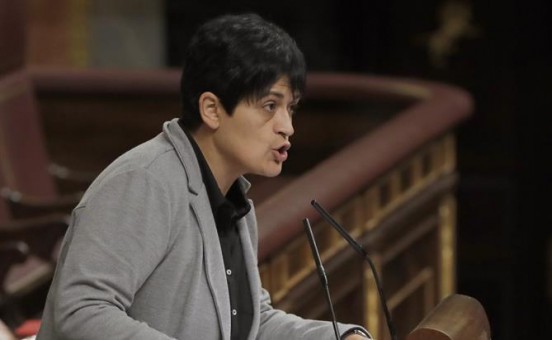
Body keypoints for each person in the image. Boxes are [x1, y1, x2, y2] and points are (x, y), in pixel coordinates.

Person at [36, 13, 371, 340]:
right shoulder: (144, 181)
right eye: (270, 106)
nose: (287, 126)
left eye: (291, 108)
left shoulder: (233, 200)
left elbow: (250, 323)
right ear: (212, 109)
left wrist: (341, 336)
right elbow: (81, 311)